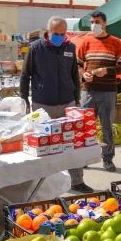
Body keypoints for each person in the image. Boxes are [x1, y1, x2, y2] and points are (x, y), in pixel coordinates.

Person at [20, 16, 92, 193]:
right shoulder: (36, 48)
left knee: (73, 144)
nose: (59, 37)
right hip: (42, 105)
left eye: (62, 33)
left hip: (67, 103)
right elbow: (25, 75)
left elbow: (74, 74)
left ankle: (77, 181)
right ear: (48, 32)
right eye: (56, 33)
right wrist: (24, 100)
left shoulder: (70, 47)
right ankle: (41, 185)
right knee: (43, 147)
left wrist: (76, 100)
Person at [77, 11, 121, 172]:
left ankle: (108, 159)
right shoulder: (86, 41)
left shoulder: (116, 43)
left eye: (97, 21)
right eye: (92, 22)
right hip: (88, 90)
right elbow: (77, 65)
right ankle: (84, 158)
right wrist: (83, 74)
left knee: (106, 126)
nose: (94, 25)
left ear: (105, 23)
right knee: (85, 126)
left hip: (108, 91)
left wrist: (107, 70)